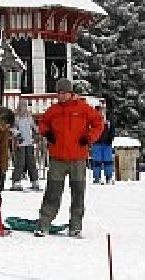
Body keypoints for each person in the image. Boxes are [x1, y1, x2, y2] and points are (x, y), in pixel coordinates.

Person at [34, 80, 105, 237]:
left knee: (78, 193)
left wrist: (89, 138)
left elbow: (99, 123)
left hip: (78, 158)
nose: (61, 96)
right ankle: (44, 224)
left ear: (71, 93)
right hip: (57, 158)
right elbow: (42, 123)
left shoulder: (83, 108)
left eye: (63, 93)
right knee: (52, 192)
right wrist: (47, 132)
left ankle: (75, 227)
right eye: (59, 93)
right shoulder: (53, 110)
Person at [9, 104, 41, 192]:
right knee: (20, 162)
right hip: (20, 143)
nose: (23, 110)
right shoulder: (16, 118)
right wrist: (17, 134)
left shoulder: (29, 118)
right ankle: (16, 181)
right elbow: (12, 128)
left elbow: (34, 127)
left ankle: (34, 180)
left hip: (29, 142)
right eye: (21, 108)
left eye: (24, 108)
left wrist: (37, 132)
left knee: (31, 162)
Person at [89, 113, 115, 185]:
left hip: (107, 144)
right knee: (97, 162)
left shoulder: (109, 120)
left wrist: (111, 139)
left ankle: (109, 178)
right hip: (96, 144)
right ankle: (97, 179)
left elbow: (112, 130)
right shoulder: (93, 118)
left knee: (108, 162)